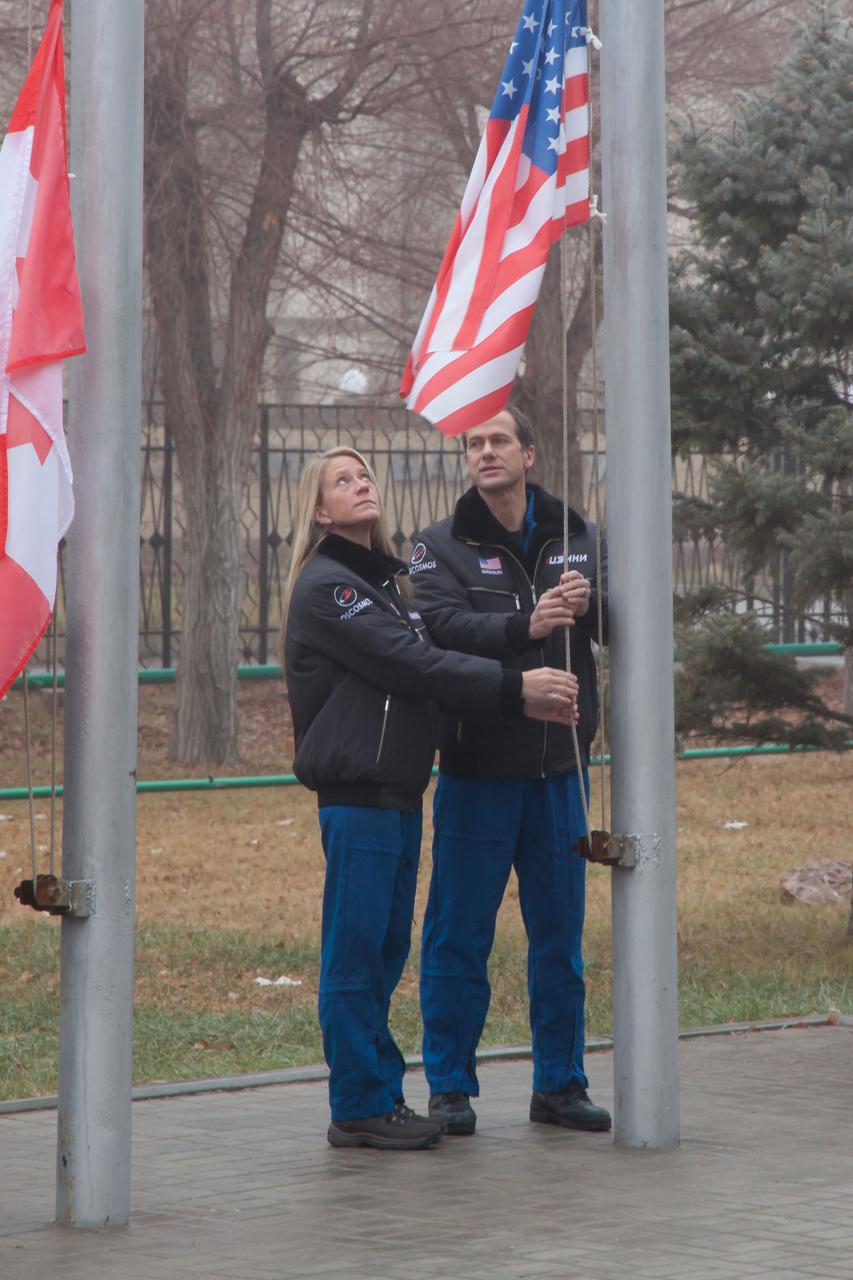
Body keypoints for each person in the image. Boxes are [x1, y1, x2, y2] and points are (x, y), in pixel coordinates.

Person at [282, 445, 579, 1151]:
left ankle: (379, 1096)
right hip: (358, 796)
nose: (361, 486)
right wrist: (517, 691)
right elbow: (413, 664)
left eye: (364, 475)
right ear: (320, 511)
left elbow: (424, 663)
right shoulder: (332, 587)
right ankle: (357, 1103)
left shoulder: (382, 584)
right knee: (356, 953)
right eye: (343, 482)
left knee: (384, 951)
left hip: (396, 792)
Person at [411, 407, 611, 1137]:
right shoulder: (439, 546)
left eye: (499, 440)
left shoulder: (576, 536)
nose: (485, 452)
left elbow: (624, 619)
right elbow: (439, 630)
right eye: (473, 443)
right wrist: (525, 626)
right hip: (476, 767)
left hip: (558, 770)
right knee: (458, 933)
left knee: (558, 935)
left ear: (528, 452)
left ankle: (558, 1085)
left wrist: (590, 610)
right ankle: (449, 1089)